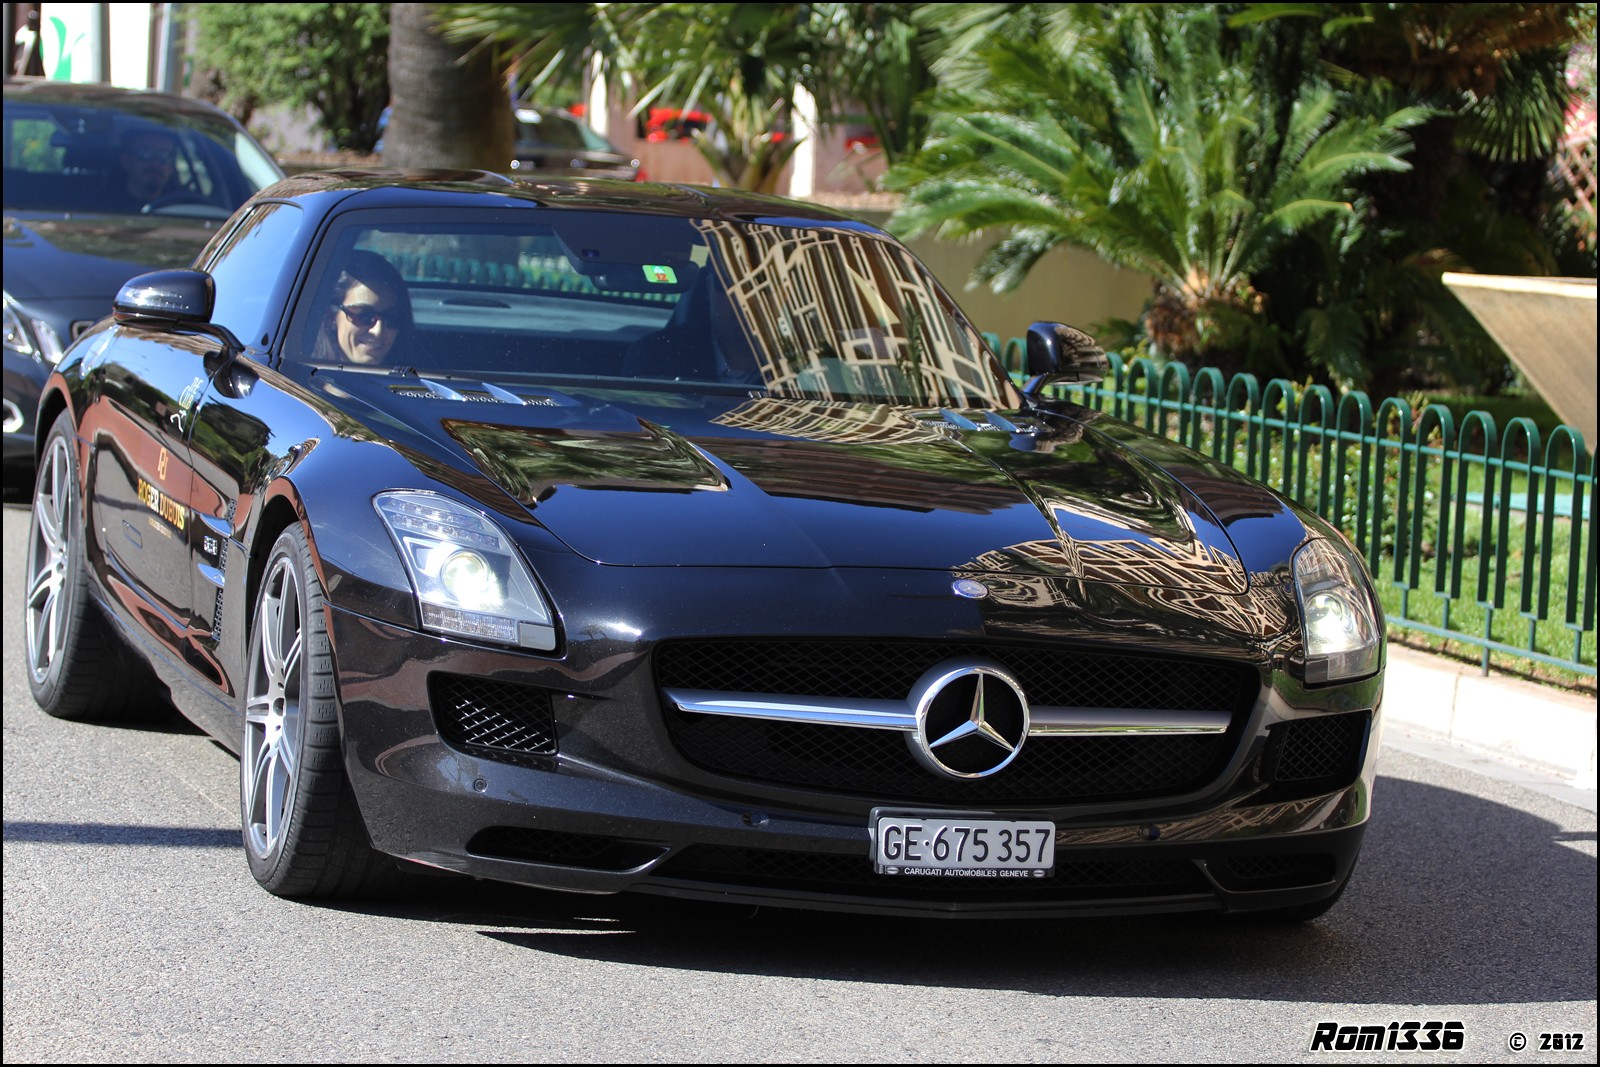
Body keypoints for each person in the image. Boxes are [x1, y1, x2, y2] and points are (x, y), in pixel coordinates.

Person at [311, 251, 414, 365]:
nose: (377, 331)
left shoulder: (417, 374)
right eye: (363, 315)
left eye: (391, 318)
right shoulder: (303, 373)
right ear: (332, 317)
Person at [110, 128, 182, 213]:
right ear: (127, 162)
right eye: (145, 154)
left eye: (164, 156)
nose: (155, 164)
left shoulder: (185, 207)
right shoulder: (103, 208)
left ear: (171, 168)